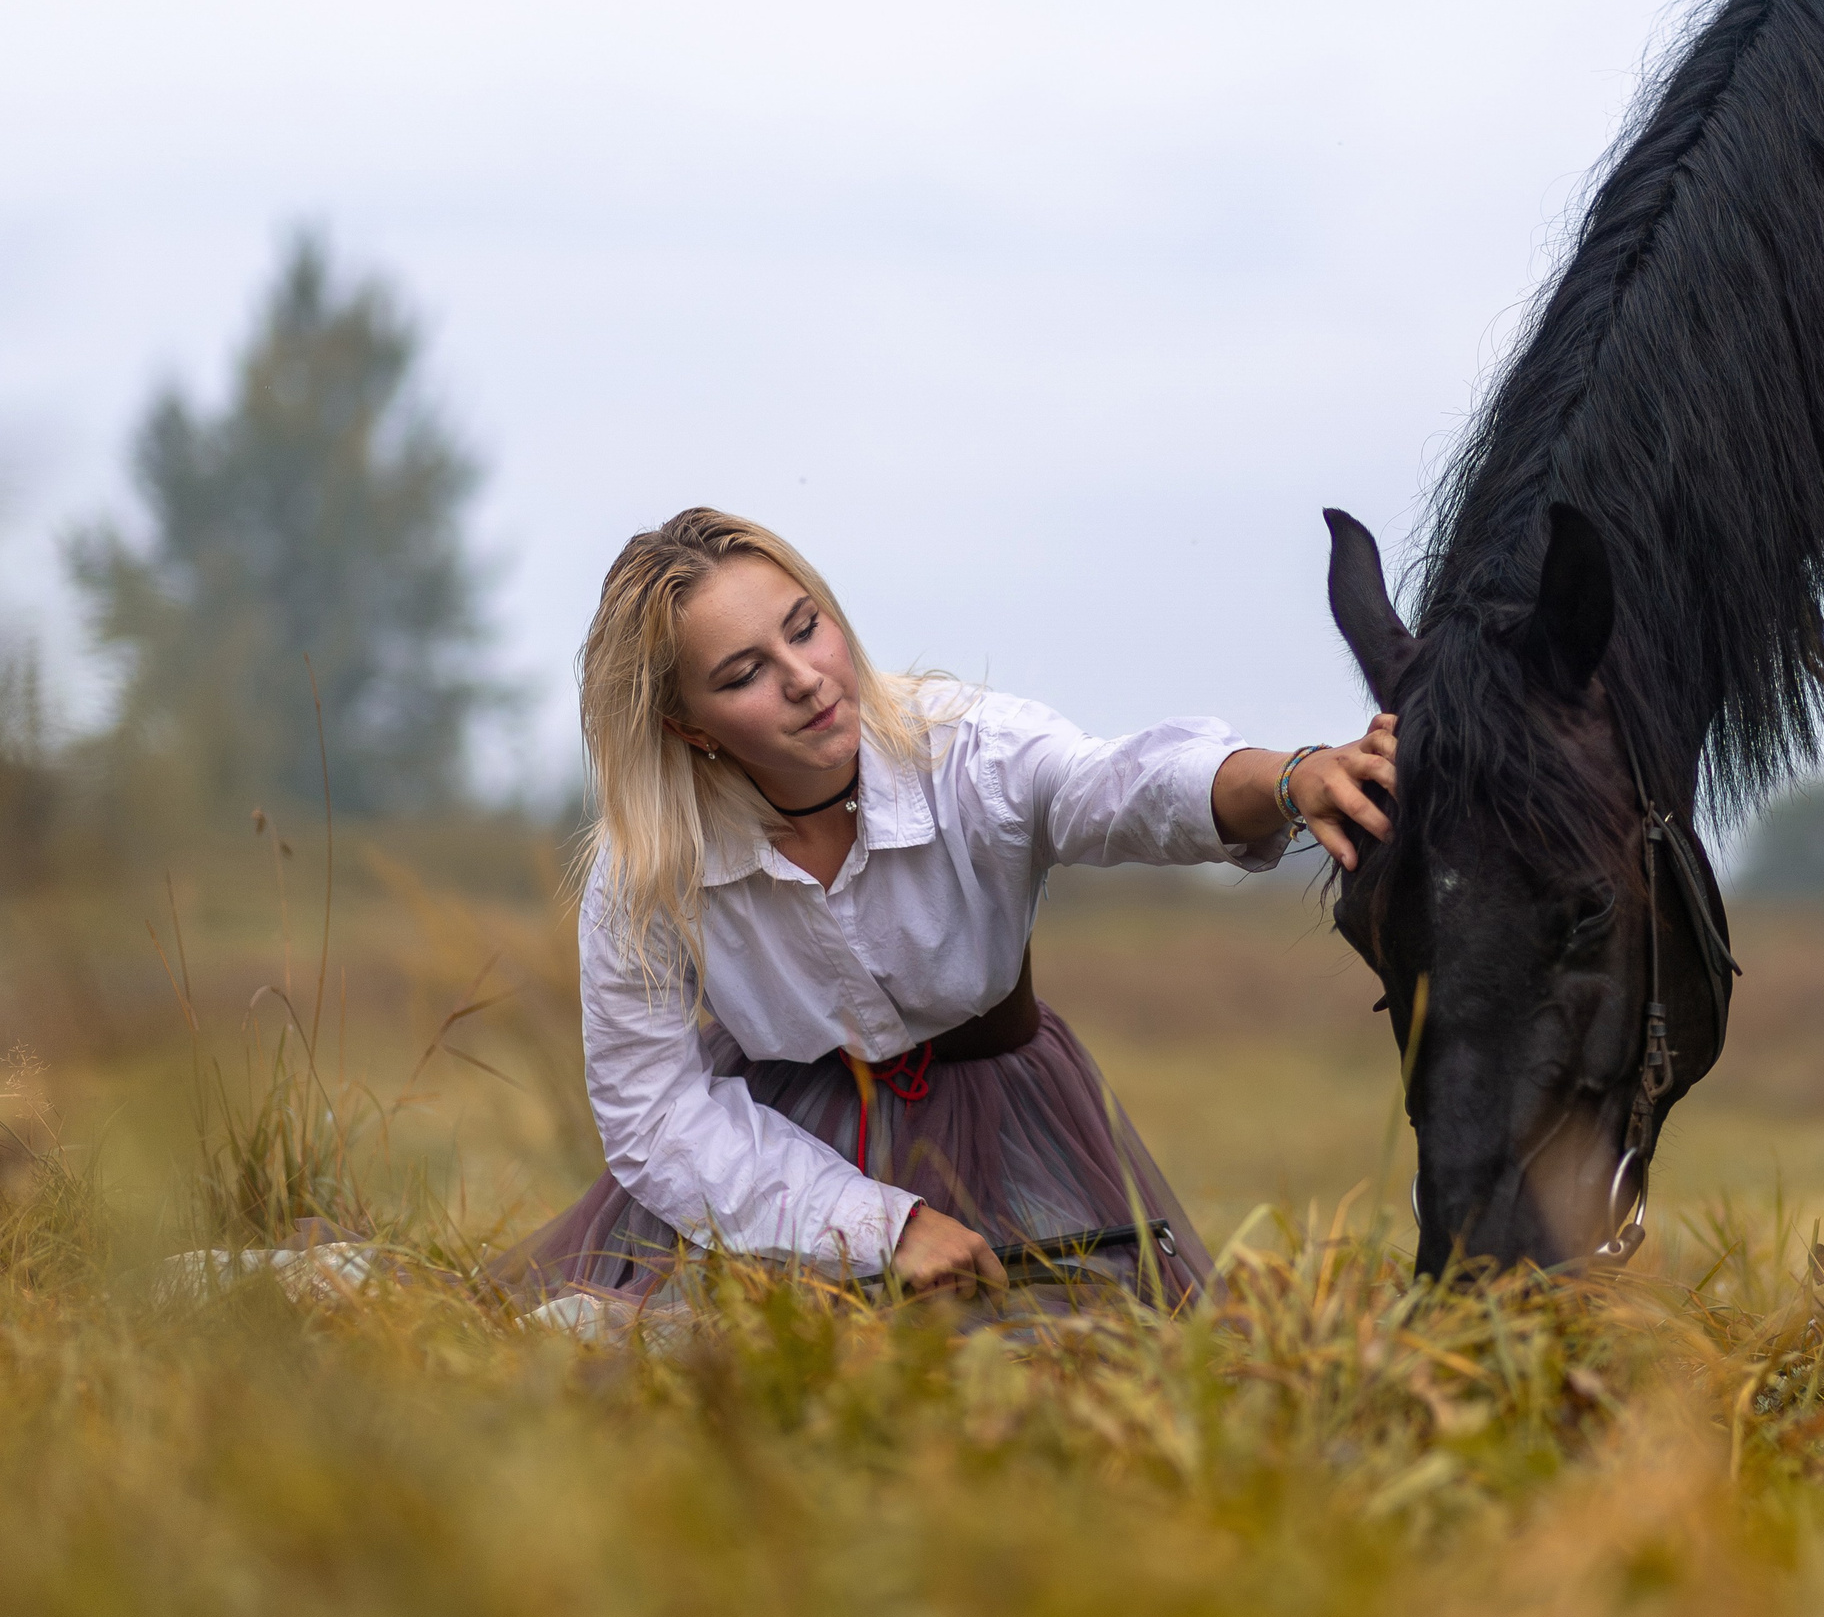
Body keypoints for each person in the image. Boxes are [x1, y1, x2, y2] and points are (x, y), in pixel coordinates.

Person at [494, 507, 1397, 1311]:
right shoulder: (647, 868)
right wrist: (878, 1227)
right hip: (768, 1162)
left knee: (1062, 1371)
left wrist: (1286, 776)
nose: (806, 677)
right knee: (667, 1365)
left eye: (807, 629)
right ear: (690, 727)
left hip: (1012, 1131)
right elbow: (652, 1114)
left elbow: (1116, 786)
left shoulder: (969, 751)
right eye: (744, 674)